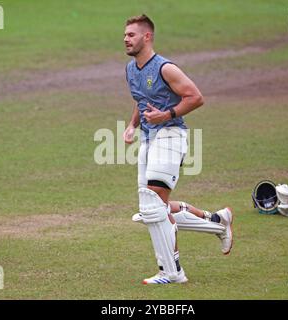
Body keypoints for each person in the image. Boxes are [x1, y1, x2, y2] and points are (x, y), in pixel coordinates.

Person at [123, 14, 233, 285]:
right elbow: (141, 100)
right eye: (125, 35)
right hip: (149, 139)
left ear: (147, 37)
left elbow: (196, 97)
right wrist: (131, 126)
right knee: (152, 209)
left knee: (153, 206)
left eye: (131, 35)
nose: (126, 39)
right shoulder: (129, 69)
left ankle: (172, 272)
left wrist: (167, 114)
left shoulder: (165, 68)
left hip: (171, 136)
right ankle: (218, 222)